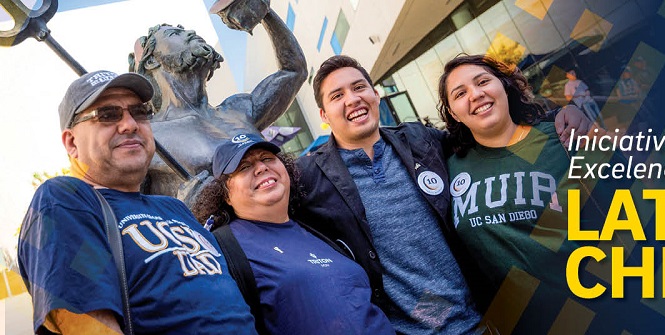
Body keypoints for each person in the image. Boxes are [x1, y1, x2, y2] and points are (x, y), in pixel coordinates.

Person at [295, 55, 594, 334]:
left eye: (359, 87)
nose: (353, 99)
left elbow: (483, 129)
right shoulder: (309, 178)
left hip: (488, 319)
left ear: (375, 94)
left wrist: (560, 116)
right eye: (337, 96)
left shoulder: (421, 141)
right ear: (323, 114)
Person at [17, 70, 256, 334]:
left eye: (139, 112)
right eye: (108, 115)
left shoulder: (174, 208)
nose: (130, 124)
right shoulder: (66, 200)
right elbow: (83, 322)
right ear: (72, 142)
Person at [438, 55, 614, 334]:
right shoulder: (450, 170)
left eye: (483, 81)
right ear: (453, 113)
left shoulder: (561, 138)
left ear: (504, 86)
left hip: (602, 313)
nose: (476, 94)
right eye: (460, 93)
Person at [191, 133, 394, 335]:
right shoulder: (221, 249)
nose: (261, 167)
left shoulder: (316, 228)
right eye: (244, 167)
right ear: (225, 194)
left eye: (267, 158)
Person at [128, 1, 307, 204]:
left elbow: (294, 71)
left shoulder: (238, 109)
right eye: (174, 34)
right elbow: (129, 211)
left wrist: (264, 12)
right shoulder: (147, 136)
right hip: (221, 234)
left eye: (184, 29)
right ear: (151, 62)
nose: (189, 32)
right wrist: (185, 210)